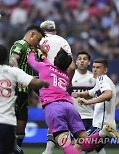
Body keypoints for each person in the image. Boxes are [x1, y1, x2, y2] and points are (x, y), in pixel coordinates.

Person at [28, 49, 119, 154]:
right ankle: (101, 133)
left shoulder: (45, 67)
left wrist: (31, 51)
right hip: (71, 108)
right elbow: (64, 68)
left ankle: (48, 151)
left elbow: (31, 61)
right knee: (85, 143)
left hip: (54, 107)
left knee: (66, 145)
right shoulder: (66, 75)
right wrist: (44, 57)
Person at [39, 20, 75, 154]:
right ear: (55, 31)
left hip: (42, 81)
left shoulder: (38, 41)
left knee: (52, 113)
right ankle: (65, 146)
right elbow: (72, 66)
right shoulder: (61, 41)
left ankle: (49, 150)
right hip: (59, 81)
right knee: (62, 115)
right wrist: (68, 82)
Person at [9, 25, 45, 154]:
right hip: (16, 89)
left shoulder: (30, 50)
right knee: (14, 118)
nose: (38, 42)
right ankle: (11, 147)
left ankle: (16, 147)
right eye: (38, 39)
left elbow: (30, 74)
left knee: (22, 120)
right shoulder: (21, 44)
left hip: (25, 91)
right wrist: (18, 73)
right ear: (32, 35)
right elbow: (13, 59)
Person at [72, 58, 117, 154]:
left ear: (105, 70)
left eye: (98, 67)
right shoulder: (100, 82)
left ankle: (103, 133)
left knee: (79, 146)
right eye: (93, 67)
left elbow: (108, 94)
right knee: (97, 149)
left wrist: (89, 102)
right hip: (108, 125)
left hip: (101, 125)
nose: (95, 70)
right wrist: (79, 94)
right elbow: (90, 93)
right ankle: (106, 132)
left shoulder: (102, 79)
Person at [69, 51, 95, 130]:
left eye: (85, 59)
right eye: (79, 59)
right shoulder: (71, 76)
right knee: (77, 142)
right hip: (74, 116)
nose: (82, 61)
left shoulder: (93, 78)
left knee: (89, 142)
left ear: (89, 62)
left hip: (90, 116)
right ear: (76, 62)